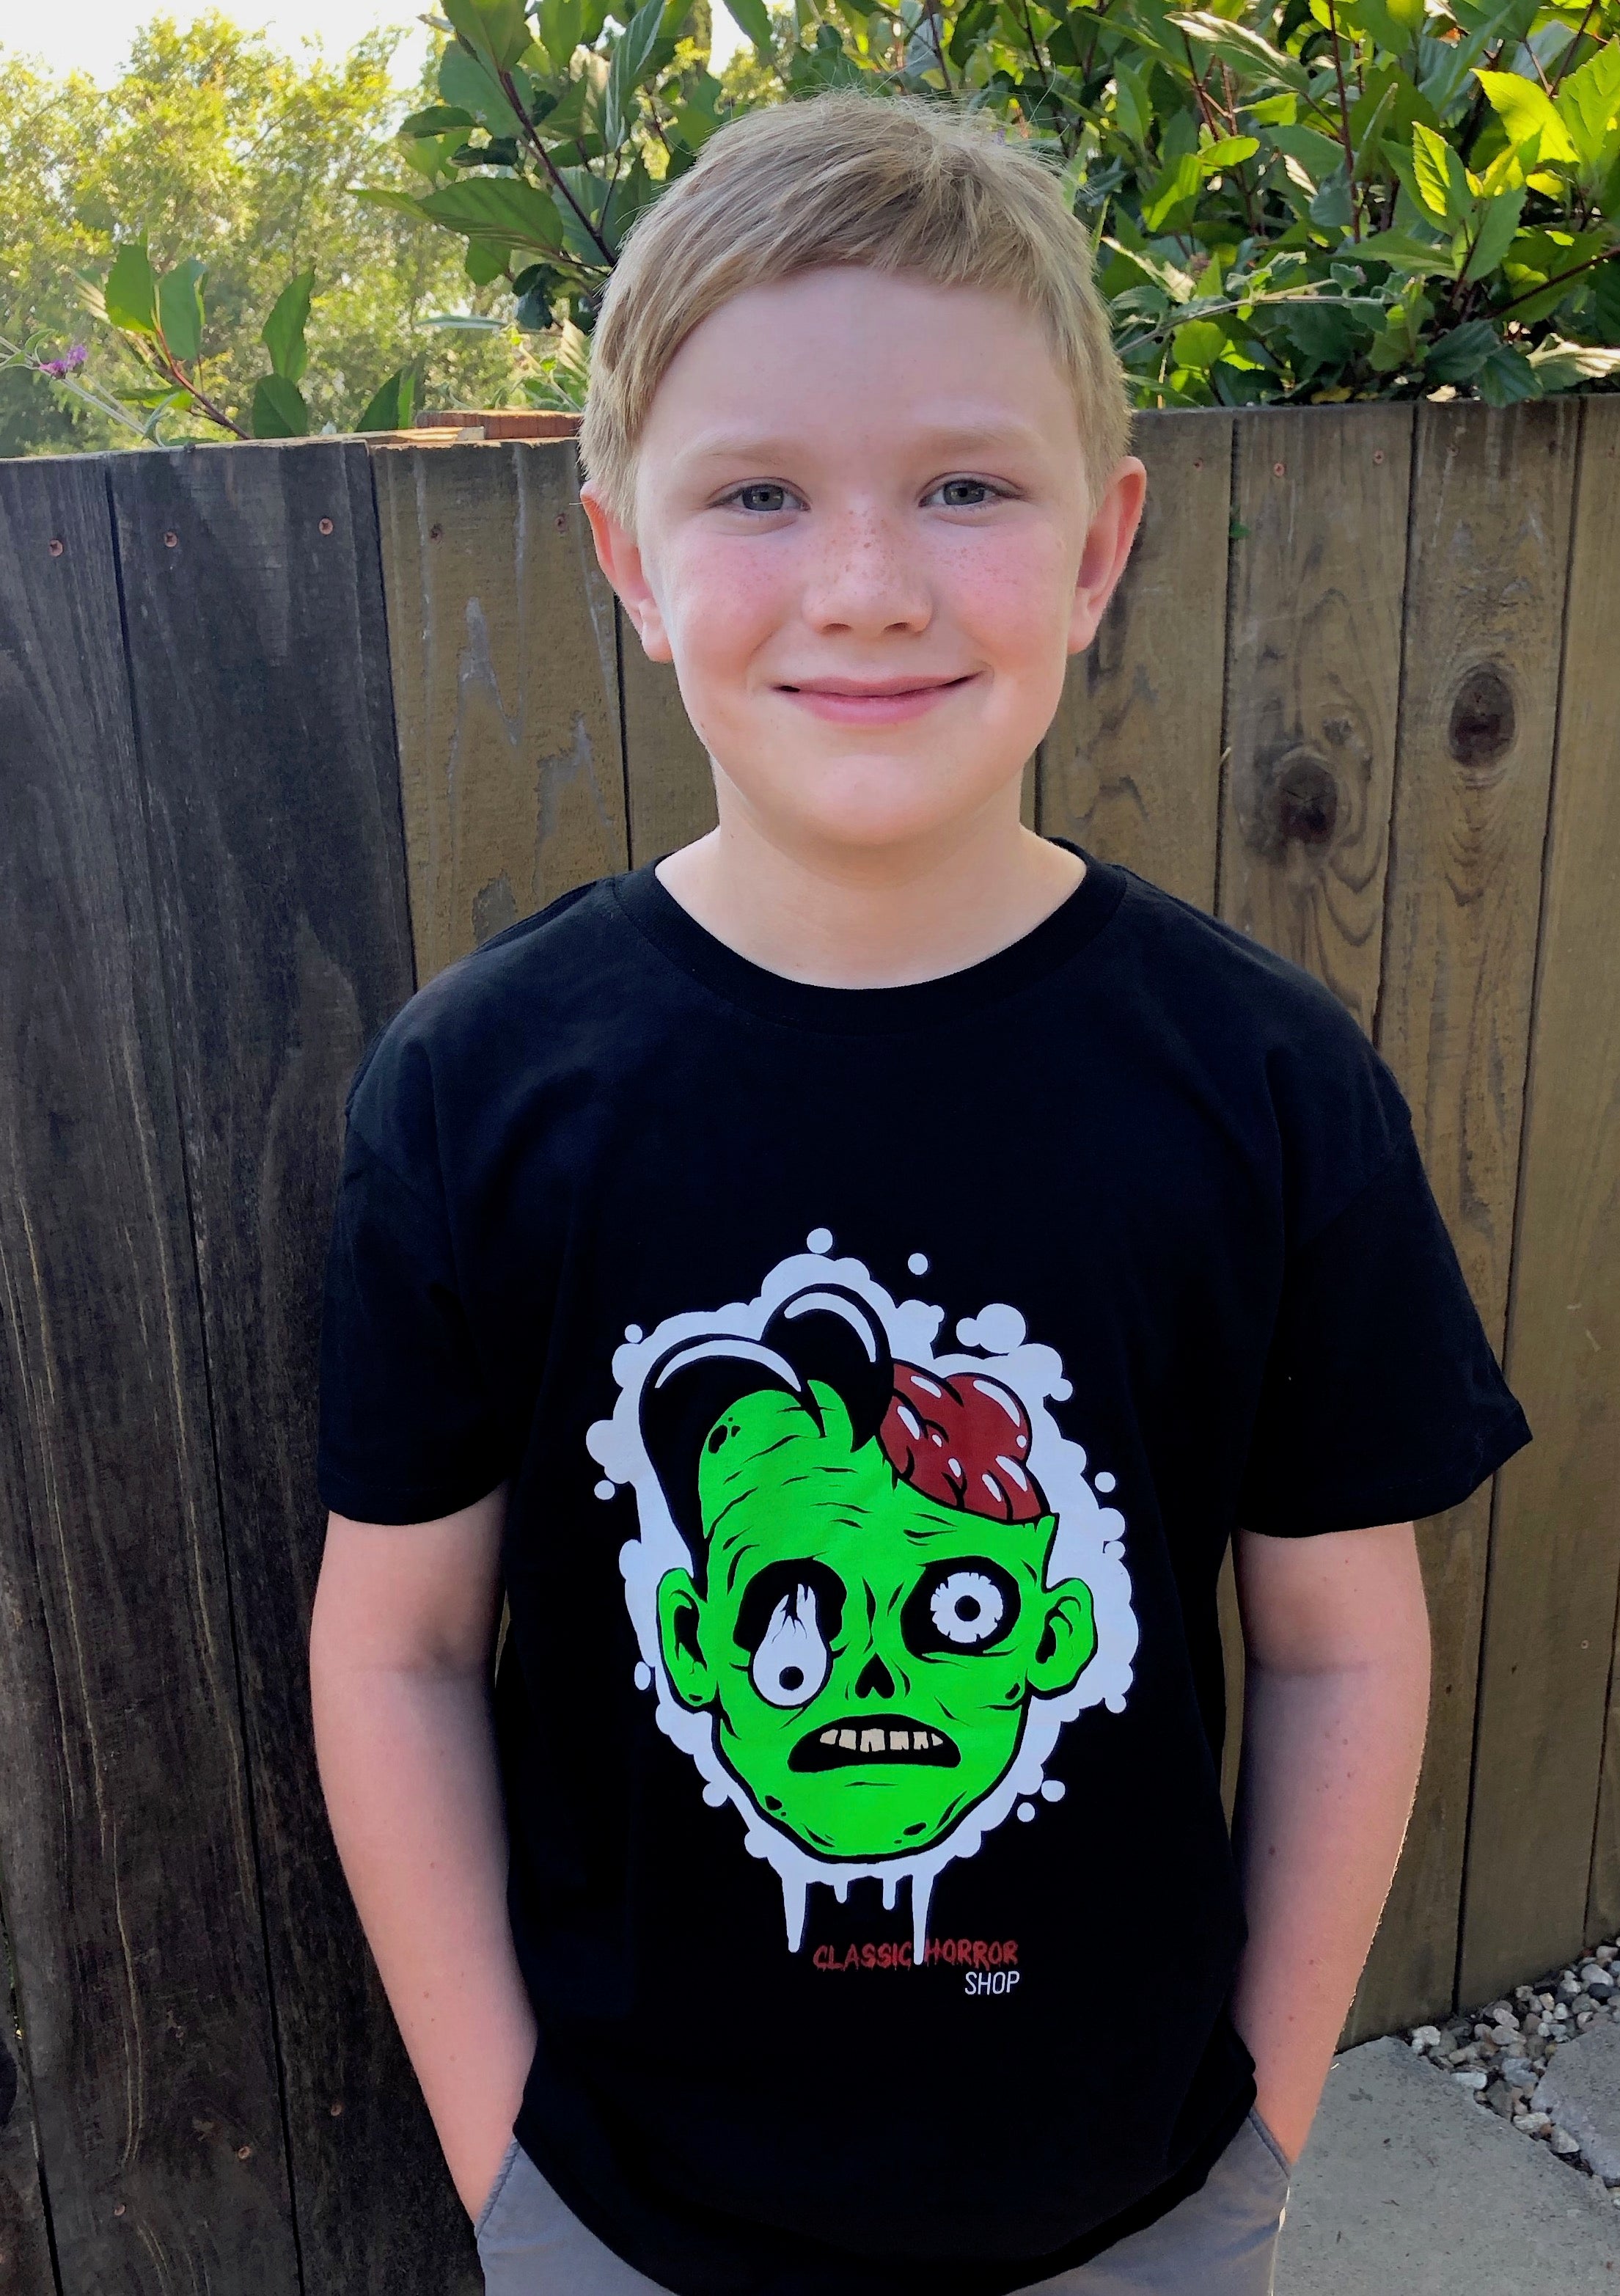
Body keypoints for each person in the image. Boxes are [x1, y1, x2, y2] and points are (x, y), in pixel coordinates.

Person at [309, 89, 1532, 2296]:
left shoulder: (1260, 1085)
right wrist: (506, 2161)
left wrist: (1259, 2127)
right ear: (624, 559)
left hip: (1143, 2209)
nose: (864, 582)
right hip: (623, 2223)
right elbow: (394, 1640)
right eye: (758, 491)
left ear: (1095, 545)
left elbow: (1341, 1640)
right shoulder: (477, 1090)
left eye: (963, 484)